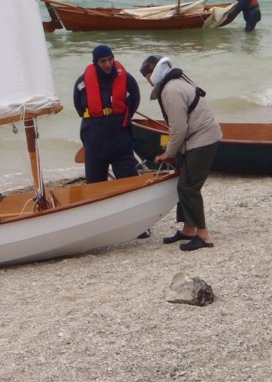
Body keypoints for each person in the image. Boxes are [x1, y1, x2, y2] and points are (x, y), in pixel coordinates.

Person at [139, 54, 221, 251]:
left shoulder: (171, 90)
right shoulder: (173, 84)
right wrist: (173, 152)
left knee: (188, 187)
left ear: (156, 72)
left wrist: (169, 153)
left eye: (148, 74)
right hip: (197, 137)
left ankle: (203, 235)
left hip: (202, 139)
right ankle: (188, 230)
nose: (148, 80)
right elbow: (180, 128)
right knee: (185, 181)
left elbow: (179, 129)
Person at [73, 44, 141, 184]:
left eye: (110, 59)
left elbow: (134, 101)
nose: (108, 64)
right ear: (95, 63)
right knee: (95, 189)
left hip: (121, 141)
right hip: (95, 143)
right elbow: (79, 108)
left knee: (131, 186)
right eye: (103, 61)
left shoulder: (127, 79)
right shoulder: (82, 83)